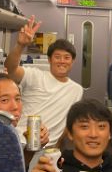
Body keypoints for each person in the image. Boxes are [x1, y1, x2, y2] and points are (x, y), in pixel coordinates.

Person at [5, 16, 83, 148]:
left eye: (67, 58)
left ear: (72, 61)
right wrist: (20, 45)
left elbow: (67, 121)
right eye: (57, 57)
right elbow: (10, 70)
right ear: (49, 60)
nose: (62, 61)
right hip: (21, 142)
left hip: (49, 149)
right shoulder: (35, 75)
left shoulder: (76, 90)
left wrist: (57, 147)